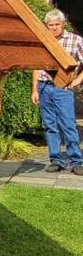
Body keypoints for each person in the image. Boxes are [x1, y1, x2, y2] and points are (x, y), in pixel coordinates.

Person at [32, 9, 83, 174]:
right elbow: (36, 66)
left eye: (56, 24)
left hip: (63, 89)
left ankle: (76, 161)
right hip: (44, 87)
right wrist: (35, 90)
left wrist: (76, 81)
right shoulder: (43, 42)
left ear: (63, 24)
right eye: (50, 25)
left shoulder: (75, 40)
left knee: (68, 125)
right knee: (50, 126)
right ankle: (55, 160)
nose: (53, 28)